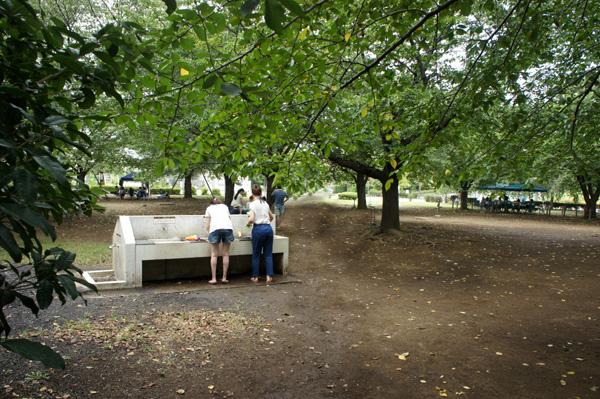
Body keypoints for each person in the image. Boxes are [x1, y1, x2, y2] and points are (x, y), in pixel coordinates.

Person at [246, 184, 275, 283]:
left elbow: (252, 218)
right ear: (261, 193)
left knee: (256, 254)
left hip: (258, 229)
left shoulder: (252, 204)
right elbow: (272, 217)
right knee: (268, 254)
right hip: (268, 228)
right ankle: (268, 277)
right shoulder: (265, 204)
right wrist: (265, 223)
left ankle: (255, 277)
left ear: (252, 194)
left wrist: (248, 224)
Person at [205, 198, 234, 284]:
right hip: (228, 229)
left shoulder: (209, 208)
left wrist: (209, 233)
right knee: (225, 254)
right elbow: (229, 219)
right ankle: (224, 278)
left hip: (215, 229)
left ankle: (214, 279)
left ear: (211, 204)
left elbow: (207, 225)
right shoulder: (225, 207)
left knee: (214, 255)